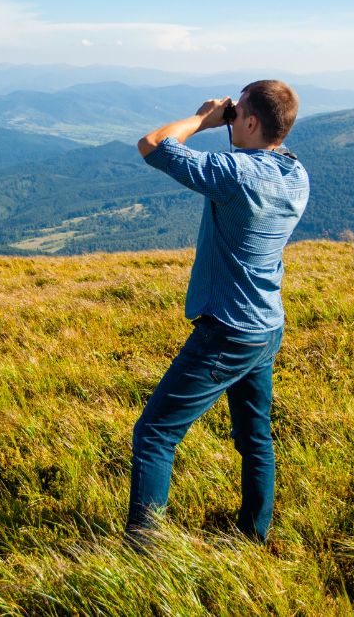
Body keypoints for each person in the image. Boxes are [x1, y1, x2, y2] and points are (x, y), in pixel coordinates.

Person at [127, 79, 309, 546]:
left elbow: (153, 145)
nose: (231, 116)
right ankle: (254, 534)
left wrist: (206, 119)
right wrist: (233, 123)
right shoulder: (296, 173)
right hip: (267, 326)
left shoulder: (237, 174)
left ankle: (143, 553)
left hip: (227, 330)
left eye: (238, 111)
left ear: (249, 121)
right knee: (255, 439)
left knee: (154, 435)